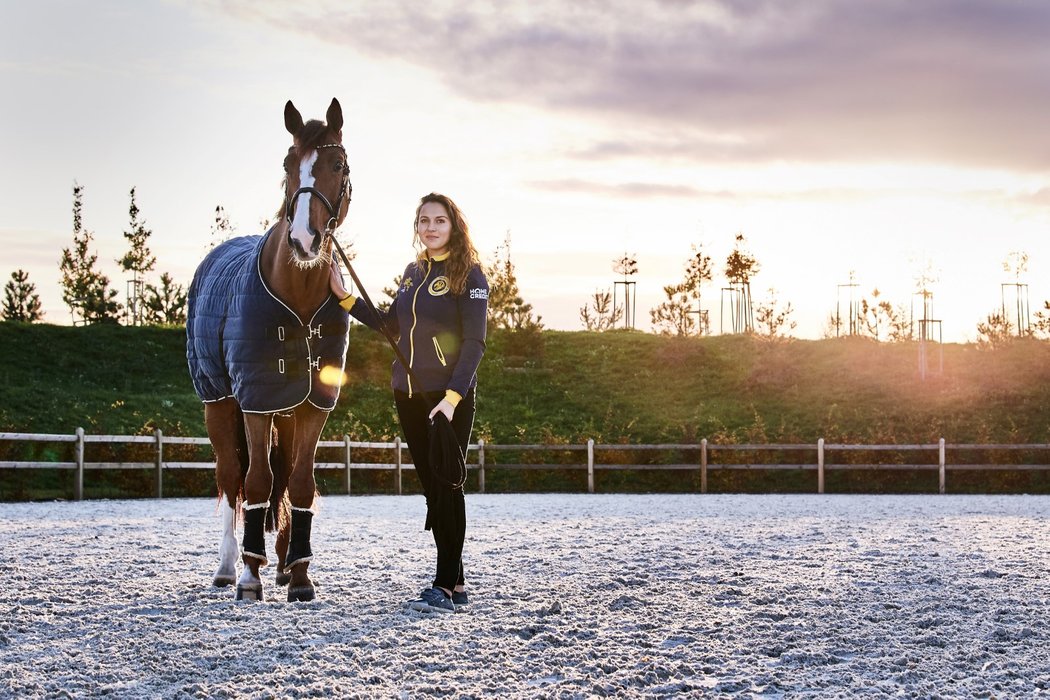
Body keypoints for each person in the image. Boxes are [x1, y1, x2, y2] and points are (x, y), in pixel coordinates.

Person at [330, 192, 489, 613]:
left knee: (447, 485)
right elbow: (389, 326)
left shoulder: (469, 275)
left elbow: (475, 343)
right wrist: (345, 298)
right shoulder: (412, 272)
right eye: (423, 221)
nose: (431, 227)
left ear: (453, 226)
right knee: (431, 490)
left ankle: (443, 585)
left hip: (447, 396)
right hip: (409, 394)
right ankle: (455, 584)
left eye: (439, 220)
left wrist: (453, 397)